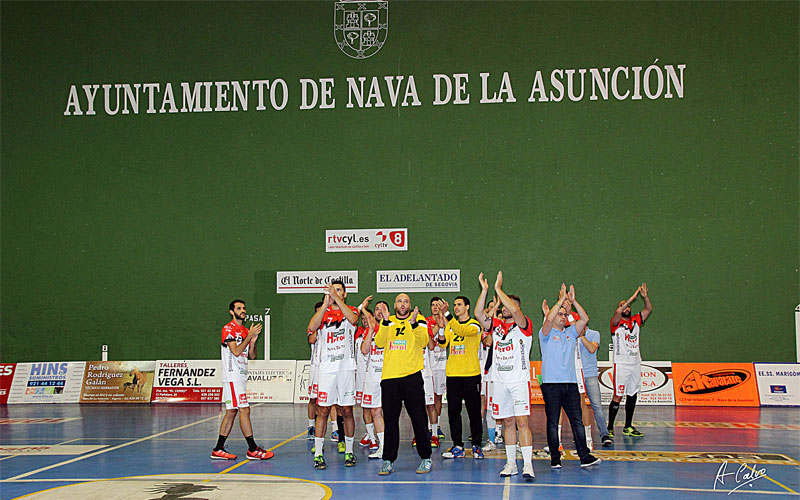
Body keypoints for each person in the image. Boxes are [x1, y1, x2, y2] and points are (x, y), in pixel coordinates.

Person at [476, 272, 535, 478]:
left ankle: (528, 465)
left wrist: (499, 289)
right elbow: (478, 314)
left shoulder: (524, 325)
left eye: (505, 304)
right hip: (500, 382)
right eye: (501, 305)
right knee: (508, 423)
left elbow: (516, 310)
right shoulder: (497, 326)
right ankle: (511, 464)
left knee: (522, 422)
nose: (503, 308)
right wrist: (485, 291)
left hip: (518, 381)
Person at [307, 280, 369, 469]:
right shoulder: (323, 312)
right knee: (323, 411)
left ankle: (349, 452)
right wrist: (326, 303)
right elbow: (311, 327)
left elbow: (352, 320)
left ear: (344, 293)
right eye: (332, 289)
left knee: (347, 411)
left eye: (339, 290)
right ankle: (318, 454)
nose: (335, 292)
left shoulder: (351, 309)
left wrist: (336, 298)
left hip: (346, 369)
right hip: (327, 369)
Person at [540, 285, 600, 469]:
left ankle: (584, 456)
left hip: (570, 385)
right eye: (560, 314)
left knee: (577, 421)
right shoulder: (546, 334)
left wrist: (572, 300)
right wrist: (560, 301)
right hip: (551, 385)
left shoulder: (571, 333)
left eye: (565, 315)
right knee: (552, 422)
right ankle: (555, 458)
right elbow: (549, 319)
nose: (563, 316)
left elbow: (585, 318)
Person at [373, 295, 433, 475]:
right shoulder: (388, 321)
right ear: (395, 305)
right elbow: (379, 342)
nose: (403, 304)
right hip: (390, 378)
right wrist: (383, 322)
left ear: (410, 305)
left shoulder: (419, 320)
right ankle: (388, 460)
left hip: (412, 377)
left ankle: (426, 458)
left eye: (406, 301)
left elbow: (423, 342)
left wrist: (414, 324)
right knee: (390, 421)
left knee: (419, 419)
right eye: (399, 301)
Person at [211, 299, 273, 460]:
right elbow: (236, 351)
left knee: (231, 412)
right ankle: (252, 449)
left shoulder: (246, 330)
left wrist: (252, 342)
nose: (242, 310)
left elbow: (251, 355)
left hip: (241, 375)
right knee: (244, 409)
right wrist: (248, 337)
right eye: (239, 308)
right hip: (232, 376)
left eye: (244, 308)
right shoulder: (228, 329)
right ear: (232, 312)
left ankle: (218, 448)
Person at [436, 295, 484, 460]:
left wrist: (447, 314)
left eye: (459, 305)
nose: (456, 308)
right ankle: (458, 446)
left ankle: (477, 445)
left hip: (471, 375)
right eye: (454, 305)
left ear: (467, 307)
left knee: (474, 412)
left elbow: (462, 331)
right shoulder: (450, 326)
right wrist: (442, 329)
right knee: (453, 412)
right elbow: (443, 344)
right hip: (453, 375)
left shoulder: (475, 325)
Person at [608, 283, 653, 438]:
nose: (626, 308)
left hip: (635, 363)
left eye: (627, 306)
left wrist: (645, 297)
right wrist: (632, 298)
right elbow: (617, 312)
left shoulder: (636, 320)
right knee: (618, 396)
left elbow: (648, 310)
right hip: (621, 363)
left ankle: (628, 426)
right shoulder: (616, 323)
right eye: (623, 306)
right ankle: (609, 427)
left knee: (632, 394)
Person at [360, 304, 386, 459]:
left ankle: (390, 446)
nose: (379, 311)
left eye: (382, 309)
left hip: (388, 376)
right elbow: (364, 350)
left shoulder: (391, 328)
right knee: (375, 411)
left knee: (389, 413)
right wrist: (370, 330)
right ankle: (382, 447)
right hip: (372, 376)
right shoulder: (370, 330)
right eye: (376, 309)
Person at [426, 298, 448, 442]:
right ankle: (429, 426)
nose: (435, 307)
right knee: (430, 399)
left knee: (439, 397)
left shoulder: (446, 321)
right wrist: (439, 322)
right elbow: (430, 339)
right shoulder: (427, 322)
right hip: (429, 366)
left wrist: (443, 318)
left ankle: (437, 425)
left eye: (438, 305)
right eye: (433, 305)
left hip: (443, 365)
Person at [306, 300, 325, 441]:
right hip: (315, 367)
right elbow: (311, 340)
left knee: (332, 402)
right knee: (313, 399)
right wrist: (319, 328)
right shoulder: (313, 326)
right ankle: (311, 426)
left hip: (328, 367)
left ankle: (336, 429)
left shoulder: (333, 324)